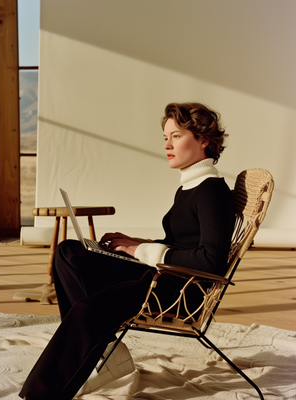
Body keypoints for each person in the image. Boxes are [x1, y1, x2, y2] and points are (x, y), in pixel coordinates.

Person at [19, 102, 236, 400]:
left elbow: (211, 262)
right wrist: (133, 243)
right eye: (165, 138)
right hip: (163, 275)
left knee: (87, 310)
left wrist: (140, 250)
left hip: (179, 289)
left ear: (203, 140)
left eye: (176, 136)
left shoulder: (211, 190)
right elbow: (183, 244)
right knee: (69, 252)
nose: (167, 145)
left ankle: (41, 395)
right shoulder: (191, 185)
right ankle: (103, 345)